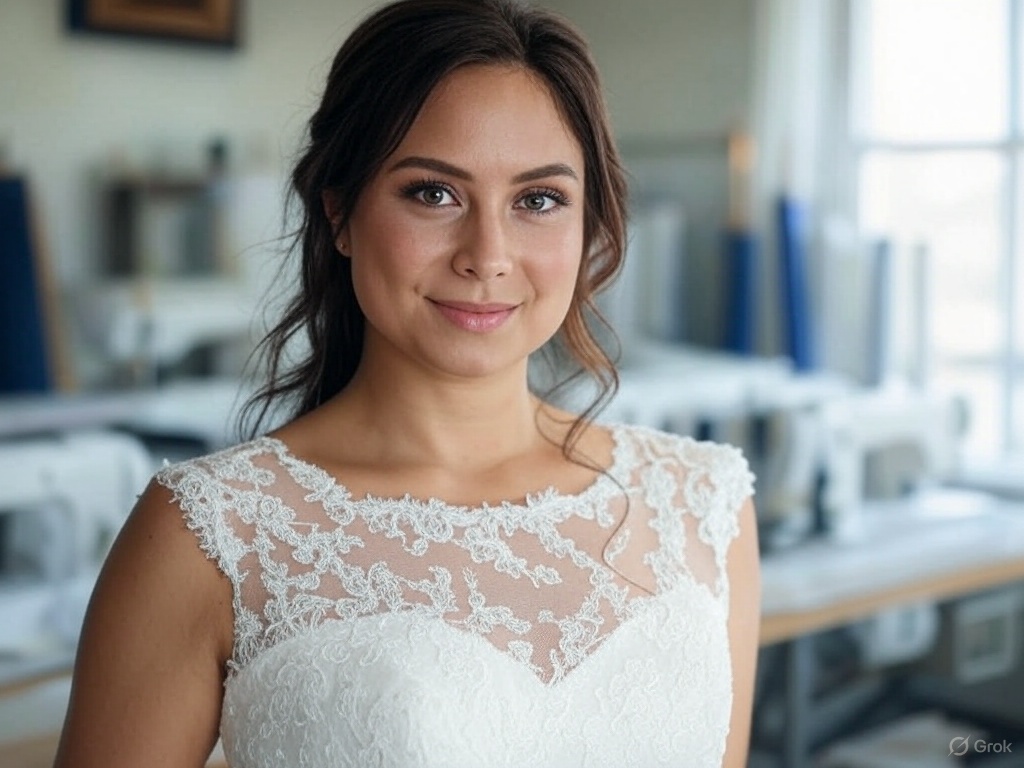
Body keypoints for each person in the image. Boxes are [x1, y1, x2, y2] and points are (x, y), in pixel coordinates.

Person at [54, 0, 760, 765]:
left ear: (589, 224)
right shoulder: (206, 536)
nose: (487, 254)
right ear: (340, 215)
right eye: (433, 193)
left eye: (538, 200)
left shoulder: (704, 506)